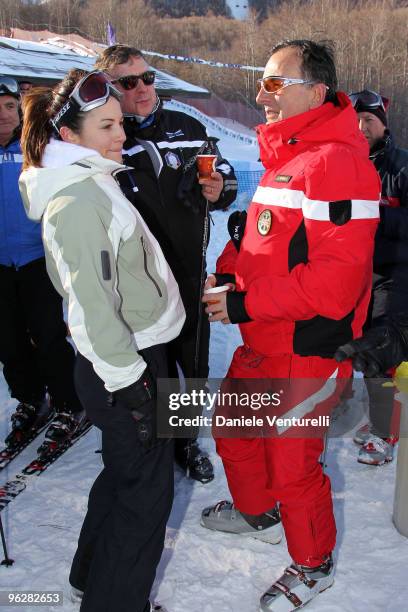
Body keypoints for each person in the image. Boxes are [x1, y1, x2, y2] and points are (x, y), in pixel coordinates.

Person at [199, 40, 380, 611]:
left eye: (276, 83)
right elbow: (267, 244)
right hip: (263, 340)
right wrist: (229, 273)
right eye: (262, 81)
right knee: (232, 432)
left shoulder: (339, 163)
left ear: (316, 91)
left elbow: (336, 285)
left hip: (306, 347)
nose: (261, 95)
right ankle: (258, 513)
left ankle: (313, 564)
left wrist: (247, 304)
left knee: (293, 464)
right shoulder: (291, 155)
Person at [19, 69, 185, 612]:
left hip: (130, 356)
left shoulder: (93, 183)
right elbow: (89, 310)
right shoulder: (77, 202)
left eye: (120, 122)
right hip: (124, 364)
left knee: (125, 476)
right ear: (69, 135)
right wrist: (132, 382)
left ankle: (93, 576)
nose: (122, 134)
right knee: (147, 495)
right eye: (107, 125)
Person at [94, 45, 238, 483]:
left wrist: (219, 187)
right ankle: (147, 437)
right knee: (147, 364)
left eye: (148, 77)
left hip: (188, 270)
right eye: (129, 81)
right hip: (135, 279)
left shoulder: (187, 126)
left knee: (191, 364)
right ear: (110, 89)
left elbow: (226, 174)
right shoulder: (108, 136)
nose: (143, 88)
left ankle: (184, 441)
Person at [0, 74, 83, 450]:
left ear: (18, 109)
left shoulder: (37, 146)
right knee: (9, 339)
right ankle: (30, 398)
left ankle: (67, 402)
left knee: (48, 334)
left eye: (7, 106)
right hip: (1, 265)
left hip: (36, 258)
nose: (3, 115)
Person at [347, 89, 408, 465]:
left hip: (395, 277)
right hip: (353, 277)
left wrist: (375, 217)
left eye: (368, 120)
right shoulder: (343, 164)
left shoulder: (401, 166)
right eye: (355, 121)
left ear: (382, 124)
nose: (360, 127)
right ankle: (378, 420)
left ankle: (385, 433)